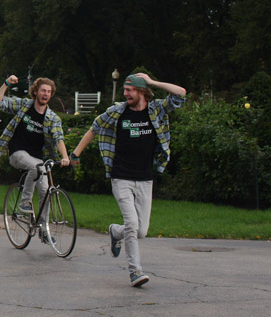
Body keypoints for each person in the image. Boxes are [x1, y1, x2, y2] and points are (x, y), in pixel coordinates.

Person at [71, 72, 186, 287]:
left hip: (144, 178)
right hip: (121, 176)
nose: (125, 94)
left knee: (140, 231)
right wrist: (76, 154)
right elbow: (94, 128)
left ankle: (116, 231)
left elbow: (181, 94)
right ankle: (135, 271)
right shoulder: (117, 112)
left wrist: (153, 81)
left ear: (142, 91)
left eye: (130, 90)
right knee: (132, 224)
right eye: (124, 90)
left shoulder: (157, 110)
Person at [0, 75, 70, 244]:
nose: (46, 94)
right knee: (36, 167)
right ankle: (24, 203)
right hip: (17, 153)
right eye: (43, 90)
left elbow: (59, 138)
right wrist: (5, 83)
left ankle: (43, 229)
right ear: (36, 91)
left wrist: (65, 157)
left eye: (49, 92)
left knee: (46, 191)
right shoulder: (24, 106)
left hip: (38, 159)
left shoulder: (52, 118)